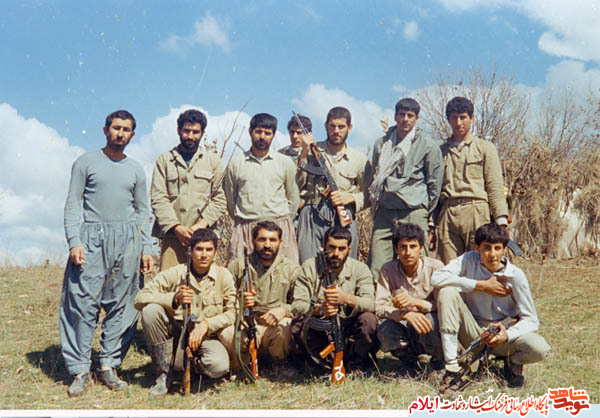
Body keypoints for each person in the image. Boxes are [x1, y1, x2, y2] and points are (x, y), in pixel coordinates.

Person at [60, 110, 154, 397]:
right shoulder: (86, 162)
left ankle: (108, 366)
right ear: (105, 130)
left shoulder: (135, 168)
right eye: (116, 128)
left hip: (128, 242)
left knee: (122, 304)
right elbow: (73, 204)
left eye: (126, 129)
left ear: (132, 135)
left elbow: (143, 211)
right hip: (92, 239)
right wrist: (74, 241)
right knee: (82, 302)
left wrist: (146, 248)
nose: (120, 133)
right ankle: (80, 369)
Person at [432, 223, 550, 390]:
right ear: (477, 248)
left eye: (497, 248)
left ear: (504, 250)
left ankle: (512, 361)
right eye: (486, 248)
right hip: (473, 332)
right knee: (447, 292)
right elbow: (436, 278)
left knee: (539, 348)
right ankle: (452, 368)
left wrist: (506, 335)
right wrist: (479, 285)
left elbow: (531, 320)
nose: (492, 254)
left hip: (501, 334)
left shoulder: (515, 275)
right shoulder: (468, 260)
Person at [134, 228, 235, 396]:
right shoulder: (177, 272)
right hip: (177, 335)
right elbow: (140, 298)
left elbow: (232, 312)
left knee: (218, 366)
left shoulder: (223, 276)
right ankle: (163, 374)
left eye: (209, 249)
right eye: (199, 249)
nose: (204, 255)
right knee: (150, 311)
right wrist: (174, 298)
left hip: (207, 337)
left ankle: (192, 368)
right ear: (190, 251)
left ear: (215, 253)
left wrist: (207, 325)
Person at [365, 98, 443, 280]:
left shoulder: (428, 146)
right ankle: (379, 298)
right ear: (395, 116)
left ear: (417, 119)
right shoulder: (381, 144)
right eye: (402, 115)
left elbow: (434, 185)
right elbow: (376, 179)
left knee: (417, 266)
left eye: (410, 115)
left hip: (413, 211)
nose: (405, 119)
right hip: (385, 212)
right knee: (377, 266)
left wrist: (423, 213)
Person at [290, 226, 378, 372]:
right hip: (322, 330)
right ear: (323, 246)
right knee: (298, 323)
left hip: (349, 330)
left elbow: (371, 304)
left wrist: (347, 299)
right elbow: (297, 305)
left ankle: (356, 363)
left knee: (369, 320)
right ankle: (320, 364)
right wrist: (319, 309)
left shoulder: (360, 269)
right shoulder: (310, 267)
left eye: (341, 249)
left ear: (349, 250)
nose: (336, 253)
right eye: (331, 247)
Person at [219, 221, 301, 375]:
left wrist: (283, 310)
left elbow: (301, 302)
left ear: (281, 242)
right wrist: (241, 304)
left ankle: (279, 363)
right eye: (262, 239)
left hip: (273, 327)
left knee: (286, 326)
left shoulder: (291, 269)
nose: (267, 245)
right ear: (253, 241)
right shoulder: (237, 266)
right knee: (227, 332)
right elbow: (223, 299)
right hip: (245, 324)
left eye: (272, 240)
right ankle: (241, 366)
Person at [435, 96, 509, 264]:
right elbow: (434, 190)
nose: (458, 123)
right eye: (454, 118)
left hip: (476, 211)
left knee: (481, 264)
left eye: (463, 117)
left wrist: (501, 221)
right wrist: (432, 223)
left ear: (472, 118)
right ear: (448, 119)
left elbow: (495, 186)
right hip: (448, 213)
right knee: (450, 267)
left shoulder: (485, 148)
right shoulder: (439, 152)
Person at [150, 109, 227, 271]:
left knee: (205, 283)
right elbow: (158, 198)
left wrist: (201, 225)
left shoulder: (213, 162)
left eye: (195, 132)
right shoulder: (164, 160)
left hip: (204, 239)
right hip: (172, 237)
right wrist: (176, 227)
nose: (190, 136)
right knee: (169, 283)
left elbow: (220, 199)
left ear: (202, 133)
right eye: (186, 131)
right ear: (179, 130)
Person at [223, 113, 300, 262]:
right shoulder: (236, 163)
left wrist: (280, 222)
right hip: (246, 228)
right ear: (250, 131)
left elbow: (293, 198)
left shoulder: (285, 162)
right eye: (258, 132)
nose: (262, 137)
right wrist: (245, 219)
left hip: (279, 227)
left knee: (284, 272)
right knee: (241, 272)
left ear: (273, 135)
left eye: (267, 133)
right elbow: (231, 199)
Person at [296, 107, 367, 264]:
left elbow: (369, 194)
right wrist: (304, 152)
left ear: (350, 128)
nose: (336, 131)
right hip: (312, 213)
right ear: (326, 126)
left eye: (341, 127)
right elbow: (296, 184)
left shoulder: (359, 159)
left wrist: (350, 198)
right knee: (308, 266)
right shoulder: (311, 150)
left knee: (344, 265)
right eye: (332, 126)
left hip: (343, 216)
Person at [375, 223, 444, 372]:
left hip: (428, 323)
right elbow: (379, 307)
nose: (408, 252)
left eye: (413, 246)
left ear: (421, 248)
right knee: (385, 328)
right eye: (403, 247)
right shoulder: (387, 270)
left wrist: (417, 303)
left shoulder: (436, 268)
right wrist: (403, 314)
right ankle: (409, 363)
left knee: (433, 320)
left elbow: (445, 306)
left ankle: (439, 363)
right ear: (396, 249)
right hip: (404, 323)